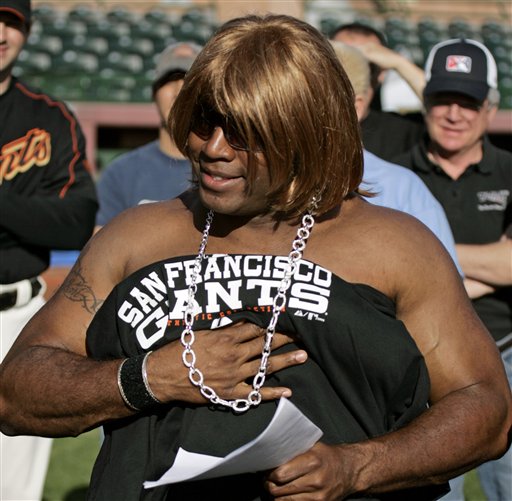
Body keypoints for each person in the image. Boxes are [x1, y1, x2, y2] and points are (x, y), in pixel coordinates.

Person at [0, 15, 510, 501]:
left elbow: (486, 405)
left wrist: (357, 467)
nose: (214, 148)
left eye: (245, 131)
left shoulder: (395, 247)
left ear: (305, 132)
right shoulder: (135, 236)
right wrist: (149, 377)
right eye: (204, 122)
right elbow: (15, 389)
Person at [393, 38, 512, 501]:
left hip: (505, 351)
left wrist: (424, 264)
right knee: (436, 492)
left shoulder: (510, 171)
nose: (454, 114)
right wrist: (491, 265)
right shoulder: (394, 179)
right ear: (425, 104)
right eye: (443, 99)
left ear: (490, 109)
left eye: (469, 102)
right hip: (420, 358)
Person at [0, 0, 98, 499]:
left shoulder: (50, 118)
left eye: (11, 22)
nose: (0, 33)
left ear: (28, 30)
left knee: (15, 487)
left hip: (17, 318)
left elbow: (76, 221)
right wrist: (24, 212)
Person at [329, 40, 462, 275]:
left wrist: (400, 63)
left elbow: (444, 285)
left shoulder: (403, 188)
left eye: (315, 99)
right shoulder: (271, 179)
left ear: (357, 107)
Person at [95, 41, 202, 228]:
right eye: (169, 80)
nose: (178, 91)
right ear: (154, 94)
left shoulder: (223, 172)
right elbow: (100, 243)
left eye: (189, 81)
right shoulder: (120, 174)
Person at [330, 22, 425, 161]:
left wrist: (399, 63)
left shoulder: (399, 130)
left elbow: (442, 108)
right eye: (340, 61)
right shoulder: (307, 120)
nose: (351, 71)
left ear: (382, 73)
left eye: (365, 64)